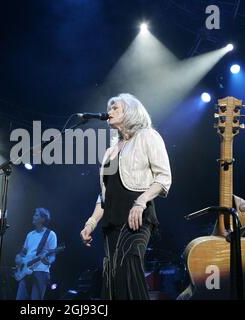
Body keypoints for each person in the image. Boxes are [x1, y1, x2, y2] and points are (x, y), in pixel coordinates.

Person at [80, 93, 172, 300]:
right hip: (111, 223)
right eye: (109, 108)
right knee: (111, 276)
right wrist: (91, 222)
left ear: (131, 112)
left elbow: (164, 177)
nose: (109, 112)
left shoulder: (148, 136)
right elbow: (105, 193)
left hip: (136, 218)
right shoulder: (109, 152)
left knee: (129, 267)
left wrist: (140, 202)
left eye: (115, 108)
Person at [15, 208, 57, 300]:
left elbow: (53, 256)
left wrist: (47, 261)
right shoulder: (30, 234)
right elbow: (23, 252)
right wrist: (19, 256)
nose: (33, 216)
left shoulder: (50, 234)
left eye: (36, 215)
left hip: (41, 272)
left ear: (43, 218)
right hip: (25, 272)